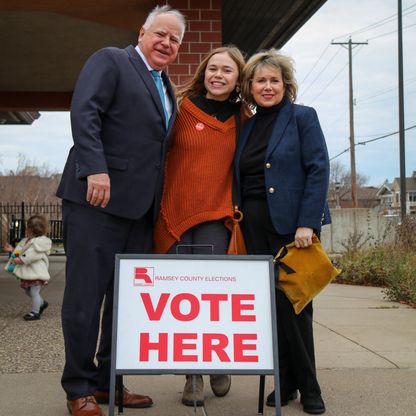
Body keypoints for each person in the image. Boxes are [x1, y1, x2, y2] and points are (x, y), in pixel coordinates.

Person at [56, 5, 186, 416]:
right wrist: (95, 167)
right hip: (97, 203)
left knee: (125, 303)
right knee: (84, 298)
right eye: (160, 34)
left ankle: (108, 384)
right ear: (142, 32)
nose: (166, 43)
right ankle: (78, 387)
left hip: (140, 212)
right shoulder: (112, 60)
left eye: (175, 40)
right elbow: (86, 110)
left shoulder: (167, 87)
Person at [235, 49, 330, 415]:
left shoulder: (303, 117)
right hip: (254, 226)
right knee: (272, 309)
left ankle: (310, 386)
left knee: (297, 306)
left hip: (293, 228)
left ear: (286, 85)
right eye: (261, 80)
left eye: (275, 80)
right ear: (250, 87)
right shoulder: (246, 126)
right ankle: (285, 381)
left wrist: (308, 222)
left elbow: (317, 168)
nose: (268, 86)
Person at [153, 46, 247, 407]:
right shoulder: (179, 108)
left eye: (227, 71)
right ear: (203, 72)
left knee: (213, 297)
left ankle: (217, 363)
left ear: (238, 79)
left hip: (217, 216)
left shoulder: (244, 117)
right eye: (213, 69)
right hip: (173, 215)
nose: (218, 75)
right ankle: (192, 374)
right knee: (181, 300)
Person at [4, 215, 52, 321]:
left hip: (36, 273)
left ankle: (35, 312)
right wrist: (12, 250)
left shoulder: (37, 245)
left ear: (31, 229)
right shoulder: (27, 240)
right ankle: (42, 303)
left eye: (27, 227)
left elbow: (26, 257)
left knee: (34, 292)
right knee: (27, 290)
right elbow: (20, 252)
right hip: (29, 272)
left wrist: (18, 259)